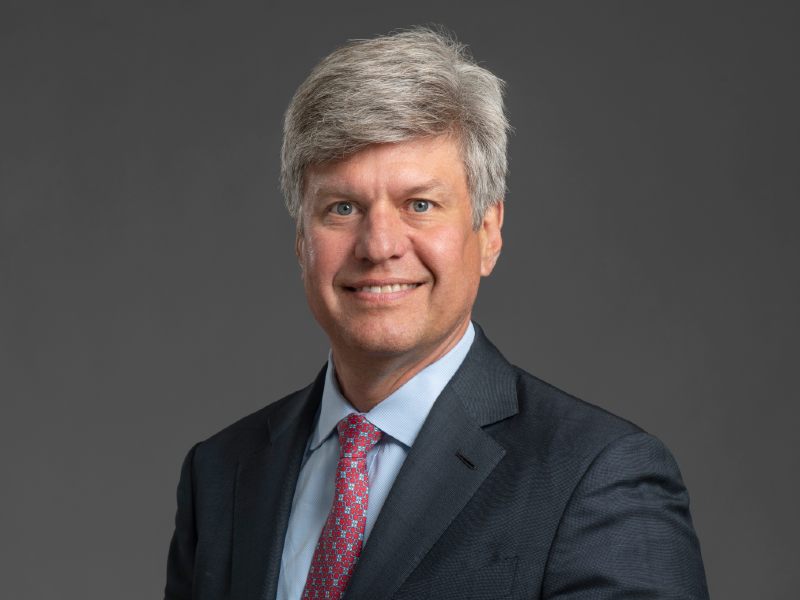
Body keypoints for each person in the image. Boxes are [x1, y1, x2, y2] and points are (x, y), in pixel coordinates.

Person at [165, 27, 709, 600]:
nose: (379, 246)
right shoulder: (221, 474)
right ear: (302, 240)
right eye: (342, 208)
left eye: (419, 205)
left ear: (489, 232)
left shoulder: (597, 476)